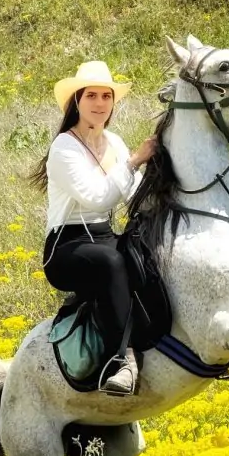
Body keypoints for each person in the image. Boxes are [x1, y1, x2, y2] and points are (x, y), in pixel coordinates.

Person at [30, 61, 157, 395]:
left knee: (145, 258)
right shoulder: (64, 147)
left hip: (101, 236)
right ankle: (123, 361)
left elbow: (132, 194)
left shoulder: (113, 141)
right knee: (111, 263)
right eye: (91, 96)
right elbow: (98, 198)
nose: (100, 103)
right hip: (66, 246)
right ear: (76, 101)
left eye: (106, 96)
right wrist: (132, 162)